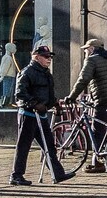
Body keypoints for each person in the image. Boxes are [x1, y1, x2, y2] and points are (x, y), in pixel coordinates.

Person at [11, 43, 75, 186]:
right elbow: (20, 94)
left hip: (42, 116)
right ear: (36, 56)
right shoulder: (27, 72)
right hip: (29, 115)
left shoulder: (46, 74)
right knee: (23, 146)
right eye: (46, 56)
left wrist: (55, 104)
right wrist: (35, 104)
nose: (49, 59)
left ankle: (57, 174)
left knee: (49, 146)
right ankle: (16, 176)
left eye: (50, 56)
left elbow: (49, 94)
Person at [64, 37, 107, 171]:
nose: (85, 53)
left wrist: (71, 97)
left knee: (97, 131)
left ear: (92, 49)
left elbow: (83, 79)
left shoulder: (92, 60)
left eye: (86, 50)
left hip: (105, 100)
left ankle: (97, 163)